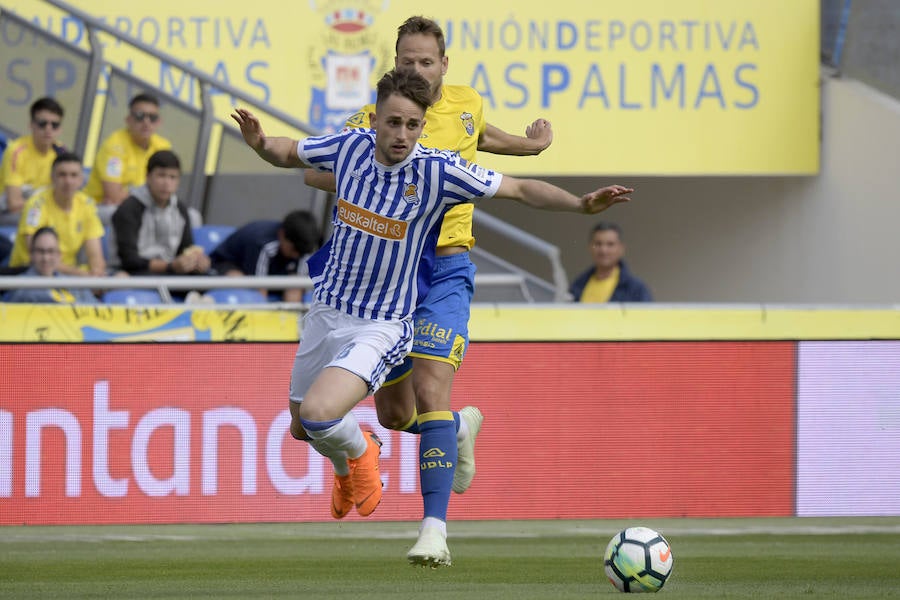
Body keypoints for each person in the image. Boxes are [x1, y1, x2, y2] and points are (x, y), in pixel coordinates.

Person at [231, 69, 633, 566]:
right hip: (325, 312)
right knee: (301, 428)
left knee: (321, 414)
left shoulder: (438, 171)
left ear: (423, 126)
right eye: (394, 123)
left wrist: (579, 204)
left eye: (414, 125)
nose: (403, 135)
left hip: (382, 323)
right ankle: (355, 461)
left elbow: (519, 189)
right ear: (375, 120)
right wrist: (258, 143)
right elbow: (289, 152)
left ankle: (364, 455)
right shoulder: (349, 147)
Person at [304, 16, 554, 564]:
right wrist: (379, 179)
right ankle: (459, 428)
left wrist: (528, 147)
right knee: (395, 414)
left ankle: (433, 533)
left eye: (425, 61)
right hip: (387, 271)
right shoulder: (376, 119)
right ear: (394, 63)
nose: (415, 69)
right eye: (406, 61)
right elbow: (319, 168)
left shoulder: (466, 102)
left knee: (432, 389)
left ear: (445, 64)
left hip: (445, 264)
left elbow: (482, 136)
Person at [110, 150, 209, 276]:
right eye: (161, 175)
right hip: (132, 272)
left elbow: (185, 249)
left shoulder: (180, 209)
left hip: (168, 271)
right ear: (148, 177)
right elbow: (129, 260)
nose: (167, 183)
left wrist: (196, 261)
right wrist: (171, 266)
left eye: (172, 177)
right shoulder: (128, 208)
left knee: (206, 278)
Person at [8, 152, 107, 277]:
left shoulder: (86, 205)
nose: (68, 181)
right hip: (31, 273)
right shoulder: (37, 205)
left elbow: (95, 256)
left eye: (73, 175)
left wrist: (96, 273)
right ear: (52, 178)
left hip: (68, 276)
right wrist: (81, 275)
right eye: (62, 175)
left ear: (81, 180)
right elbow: (38, 257)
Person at [84, 92, 172, 221]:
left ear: (159, 122)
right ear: (128, 120)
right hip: (101, 207)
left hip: (144, 206)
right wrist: (152, 193)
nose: (146, 122)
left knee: (191, 216)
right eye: (139, 116)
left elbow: (168, 189)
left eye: (152, 118)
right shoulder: (114, 147)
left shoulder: (163, 146)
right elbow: (113, 196)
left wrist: (130, 193)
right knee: (124, 214)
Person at [210, 210, 320, 301]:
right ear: (282, 235)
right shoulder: (262, 243)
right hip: (230, 264)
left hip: (272, 273)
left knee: (294, 287)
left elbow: (296, 284)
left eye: (301, 252)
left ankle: (292, 324)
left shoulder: (303, 249)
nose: (296, 256)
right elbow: (259, 289)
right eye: (293, 249)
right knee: (238, 279)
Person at [0, 97, 66, 226]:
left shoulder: (61, 151)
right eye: (42, 123)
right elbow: (13, 204)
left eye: (54, 125)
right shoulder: (16, 151)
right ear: (31, 125)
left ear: (59, 129)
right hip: (7, 211)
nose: (48, 129)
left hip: (37, 207)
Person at [3, 226, 98, 303]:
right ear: (31, 254)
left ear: (59, 255)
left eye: (51, 251)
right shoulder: (20, 287)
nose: (46, 258)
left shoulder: (74, 285)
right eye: (40, 251)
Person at [569, 221, 653, 302]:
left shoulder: (636, 289)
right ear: (590, 247)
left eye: (610, 244)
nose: (603, 250)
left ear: (621, 248)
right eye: (598, 244)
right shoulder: (577, 285)